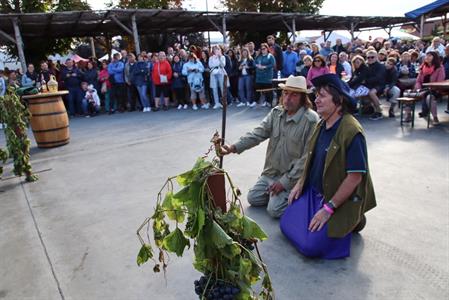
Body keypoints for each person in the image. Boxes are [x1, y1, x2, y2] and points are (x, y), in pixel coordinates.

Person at [281, 73, 376, 259]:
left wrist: (328, 209)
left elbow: (355, 177)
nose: (316, 100)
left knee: (309, 247)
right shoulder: (322, 124)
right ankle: (353, 221)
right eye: (316, 95)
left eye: (322, 96)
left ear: (338, 101)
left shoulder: (352, 131)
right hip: (314, 192)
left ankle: (354, 218)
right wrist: (300, 183)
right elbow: (311, 160)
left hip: (334, 200)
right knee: (285, 224)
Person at [220, 76, 319, 217]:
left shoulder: (311, 120)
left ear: (303, 98)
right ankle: (278, 195)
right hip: (271, 173)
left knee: (274, 210)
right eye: (285, 93)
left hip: (292, 177)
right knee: (253, 198)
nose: (288, 98)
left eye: (294, 95)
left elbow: (306, 158)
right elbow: (257, 134)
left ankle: (300, 197)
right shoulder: (276, 113)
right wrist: (233, 147)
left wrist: (284, 183)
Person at [415, 51, 446, 125]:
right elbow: (418, 81)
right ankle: (408, 115)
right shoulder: (423, 67)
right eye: (426, 55)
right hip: (422, 89)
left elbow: (439, 82)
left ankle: (435, 117)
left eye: (429, 56)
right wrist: (418, 89)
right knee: (407, 94)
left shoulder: (439, 67)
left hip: (435, 89)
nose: (427, 57)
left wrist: (429, 88)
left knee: (430, 97)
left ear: (434, 57)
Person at [364, 50, 386, 120]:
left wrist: (366, 80)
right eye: (368, 57)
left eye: (372, 57)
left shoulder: (381, 66)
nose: (370, 59)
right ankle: (368, 108)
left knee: (371, 93)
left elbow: (378, 78)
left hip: (379, 85)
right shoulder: (366, 66)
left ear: (376, 57)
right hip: (369, 85)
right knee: (358, 91)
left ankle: (378, 111)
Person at [254, 43, 275, 107]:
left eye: (264, 49)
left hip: (267, 77)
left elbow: (273, 64)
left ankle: (268, 102)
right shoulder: (258, 56)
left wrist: (265, 67)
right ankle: (256, 101)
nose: (263, 50)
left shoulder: (270, 56)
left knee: (268, 90)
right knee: (257, 89)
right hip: (259, 77)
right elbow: (254, 63)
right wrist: (257, 65)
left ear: (267, 49)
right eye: (261, 49)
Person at [208, 45, 226, 109]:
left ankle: (224, 102)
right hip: (213, 74)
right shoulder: (211, 58)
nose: (216, 50)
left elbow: (222, 65)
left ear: (219, 49)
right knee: (214, 88)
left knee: (222, 88)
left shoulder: (222, 57)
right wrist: (216, 65)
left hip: (221, 73)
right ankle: (216, 103)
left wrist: (219, 58)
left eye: (217, 49)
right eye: (214, 49)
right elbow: (210, 65)